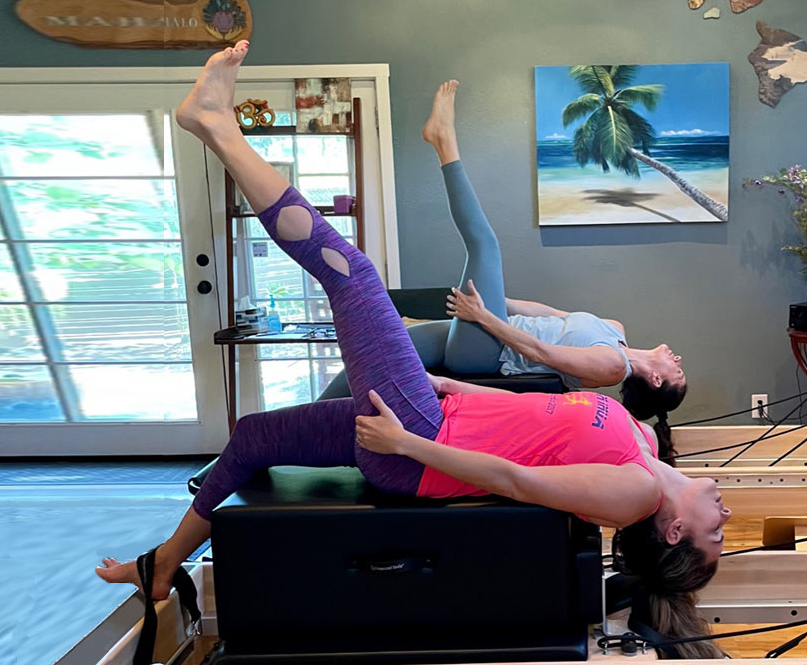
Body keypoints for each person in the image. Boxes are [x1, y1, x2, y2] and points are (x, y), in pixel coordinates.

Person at [94, 43, 730, 657]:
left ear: (673, 531)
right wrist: (462, 387)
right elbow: (535, 424)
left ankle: (218, 128)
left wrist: (408, 445)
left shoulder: (635, 498)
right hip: (437, 414)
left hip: (421, 443)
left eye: (715, 533)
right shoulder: (643, 446)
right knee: (257, 437)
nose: (724, 515)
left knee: (354, 276)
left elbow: (515, 479)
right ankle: (160, 565)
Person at [319, 81, 688, 432]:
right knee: (382, 349)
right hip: (491, 330)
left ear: (655, 380)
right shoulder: (615, 330)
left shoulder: (611, 366)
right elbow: (551, 315)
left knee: (485, 245)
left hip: (490, 352)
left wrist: (484, 315)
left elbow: (540, 351)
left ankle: (444, 141)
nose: (679, 361)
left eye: (678, 373)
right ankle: (303, 417)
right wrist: (499, 301)